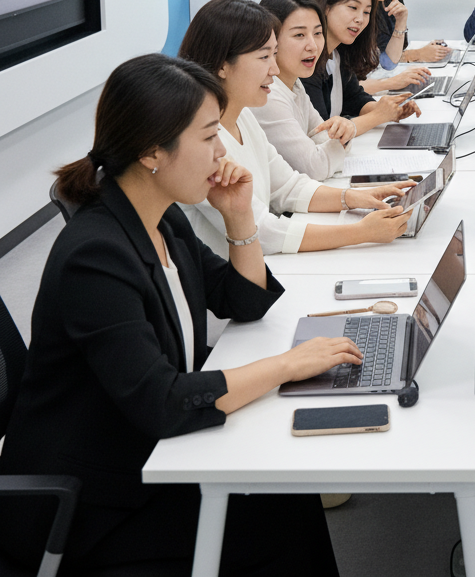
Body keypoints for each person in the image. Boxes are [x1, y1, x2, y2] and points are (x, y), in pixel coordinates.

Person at [0, 54, 353, 575]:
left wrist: (238, 218)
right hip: (93, 502)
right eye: (209, 136)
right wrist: (286, 366)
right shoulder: (95, 256)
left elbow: (242, 300)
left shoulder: (162, 219)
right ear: (151, 151)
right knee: (272, 518)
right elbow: (162, 401)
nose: (222, 151)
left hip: (139, 449)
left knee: (283, 497)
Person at [179, 0, 413, 255]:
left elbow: (287, 186)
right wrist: (361, 232)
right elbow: (261, 232)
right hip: (222, 280)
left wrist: (353, 198)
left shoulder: (242, 115)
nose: (274, 69)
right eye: (264, 57)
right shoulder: (198, 140)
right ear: (223, 65)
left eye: (274, 55)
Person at [304, 0, 424, 137]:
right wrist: (378, 115)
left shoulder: (339, 53)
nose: (360, 19)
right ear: (326, 6)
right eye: (353, 7)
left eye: (367, 12)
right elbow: (321, 133)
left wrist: (390, 110)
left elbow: (354, 98)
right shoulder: (307, 60)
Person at [249, 0, 355, 180]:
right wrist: (341, 142)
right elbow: (315, 168)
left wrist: (344, 133)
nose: (313, 46)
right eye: (299, 35)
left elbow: (322, 136)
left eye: (317, 33)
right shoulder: (268, 94)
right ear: (270, 39)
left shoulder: (294, 83)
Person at [336, 0, 431, 93]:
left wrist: (401, 22)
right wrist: (391, 83)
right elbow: (344, 89)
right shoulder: (343, 20)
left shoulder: (375, 8)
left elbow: (387, 63)